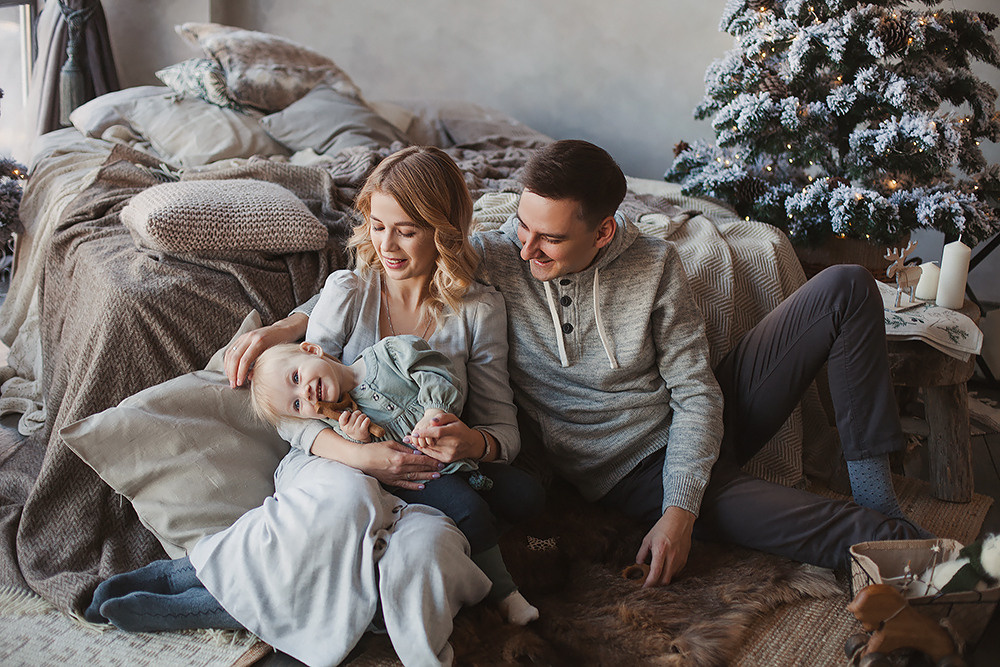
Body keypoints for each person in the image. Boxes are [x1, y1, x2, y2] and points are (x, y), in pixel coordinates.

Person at [224, 140, 927, 589]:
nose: (525, 250)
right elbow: (386, 265)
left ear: (604, 230)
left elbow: (696, 393)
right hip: (631, 472)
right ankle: (944, 563)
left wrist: (680, 515)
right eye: (521, 227)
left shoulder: (656, 264)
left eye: (550, 239)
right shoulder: (497, 257)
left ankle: (892, 509)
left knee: (843, 287)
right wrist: (286, 329)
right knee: (843, 532)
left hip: (701, 426)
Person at [87, 146, 541, 666]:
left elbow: (503, 432)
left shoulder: (478, 313)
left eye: (407, 231)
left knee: (423, 554)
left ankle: (218, 602)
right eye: (376, 225)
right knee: (348, 500)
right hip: (331, 454)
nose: (387, 245)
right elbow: (294, 418)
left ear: (444, 231)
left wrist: (471, 440)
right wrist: (360, 457)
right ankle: (187, 583)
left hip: (425, 481)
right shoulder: (350, 291)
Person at [248, 335, 541, 624]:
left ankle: (495, 542)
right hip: (422, 479)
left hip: (463, 459)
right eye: (297, 405)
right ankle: (506, 597)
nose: (306, 395)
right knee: (469, 511)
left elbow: (436, 370)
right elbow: (366, 468)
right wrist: (360, 441)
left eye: (297, 377)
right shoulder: (336, 424)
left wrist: (434, 412)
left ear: (312, 350)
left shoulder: (390, 353)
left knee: (528, 494)